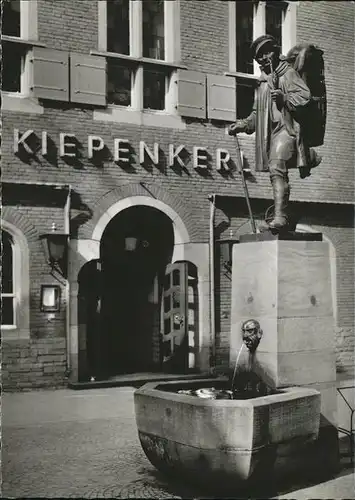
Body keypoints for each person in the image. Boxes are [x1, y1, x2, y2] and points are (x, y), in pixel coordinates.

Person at [229, 34, 322, 231]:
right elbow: (257, 114)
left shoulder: (287, 73)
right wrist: (242, 124)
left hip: (288, 130)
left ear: (275, 51)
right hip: (271, 134)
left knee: (277, 167)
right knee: (275, 171)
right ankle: (286, 213)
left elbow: (305, 99)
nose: (264, 58)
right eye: (259, 56)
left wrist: (284, 98)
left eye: (267, 53)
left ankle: (280, 217)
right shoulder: (263, 83)